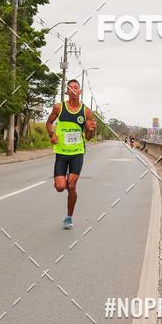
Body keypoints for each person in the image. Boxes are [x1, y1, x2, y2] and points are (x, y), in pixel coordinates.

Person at [46, 79, 96, 229]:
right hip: (61, 153)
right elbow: (48, 123)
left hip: (77, 153)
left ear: (80, 91)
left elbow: (88, 137)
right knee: (61, 187)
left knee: (72, 185)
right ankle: (66, 184)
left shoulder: (86, 111)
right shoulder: (59, 107)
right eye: (70, 88)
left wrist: (91, 130)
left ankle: (69, 217)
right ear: (67, 92)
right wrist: (52, 135)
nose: (73, 90)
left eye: (76, 87)